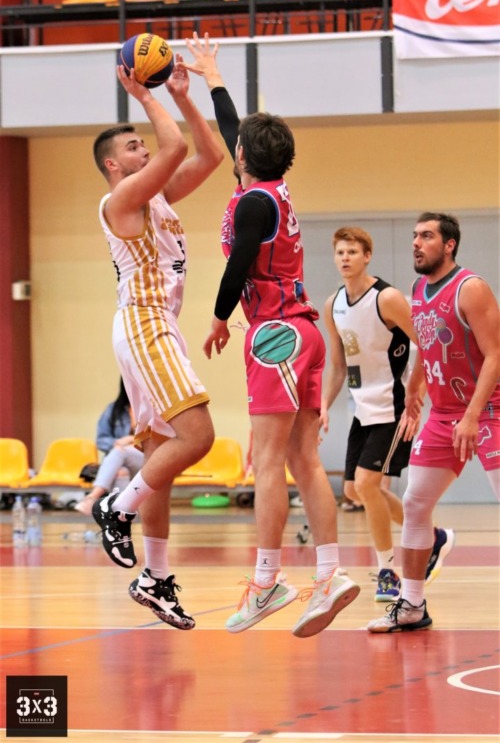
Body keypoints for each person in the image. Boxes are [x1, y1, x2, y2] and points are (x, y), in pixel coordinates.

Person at [184, 32, 360, 638]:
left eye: (237, 146)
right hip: (305, 331)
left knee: (265, 462)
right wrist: (212, 76)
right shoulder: (267, 188)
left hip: (276, 335)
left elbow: (237, 267)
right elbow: (235, 127)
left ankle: (266, 582)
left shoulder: (252, 204)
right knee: (302, 459)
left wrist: (217, 317)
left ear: (242, 158)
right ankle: (330, 574)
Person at [91, 53, 224, 630]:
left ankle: (156, 577)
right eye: (133, 147)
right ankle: (116, 508)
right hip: (144, 322)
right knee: (199, 436)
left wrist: (183, 96)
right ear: (112, 165)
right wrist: (147, 95)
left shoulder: (158, 197)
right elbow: (174, 148)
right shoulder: (119, 201)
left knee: (160, 456)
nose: (144, 149)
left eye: (143, 143)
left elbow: (210, 155)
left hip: (158, 325)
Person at [368, 212, 499, 632]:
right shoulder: (418, 289)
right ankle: (411, 605)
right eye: (414, 235)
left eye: (426, 236)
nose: (416, 243)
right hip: (443, 415)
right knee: (414, 503)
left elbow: (495, 355)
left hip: (490, 410)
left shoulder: (471, 288)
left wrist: (473, 415)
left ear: (449, 245)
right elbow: (425, 343)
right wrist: (414, 387)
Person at [322, 226, 455, 601]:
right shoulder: (333, 305)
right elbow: (338, 366)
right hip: (361, 408)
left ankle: (387, 571)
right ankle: (434, 537)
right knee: (353, 491)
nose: (345, 258)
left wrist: (417, 390)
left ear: (367, 256)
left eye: (352, 252)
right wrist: (323, 406)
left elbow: (427, 342)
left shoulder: (387, 298)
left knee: (367, 485)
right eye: (340, 252)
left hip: (392, 405)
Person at [75, 379, 144, 516]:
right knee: (121, 471)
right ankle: (123, 513)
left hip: (146, 460)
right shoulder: (114, 410)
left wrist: (132, 440)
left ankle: (93, 497)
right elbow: (101, 440)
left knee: (120, 452)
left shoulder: (151, 408)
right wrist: (117, 442)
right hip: (121, 463)